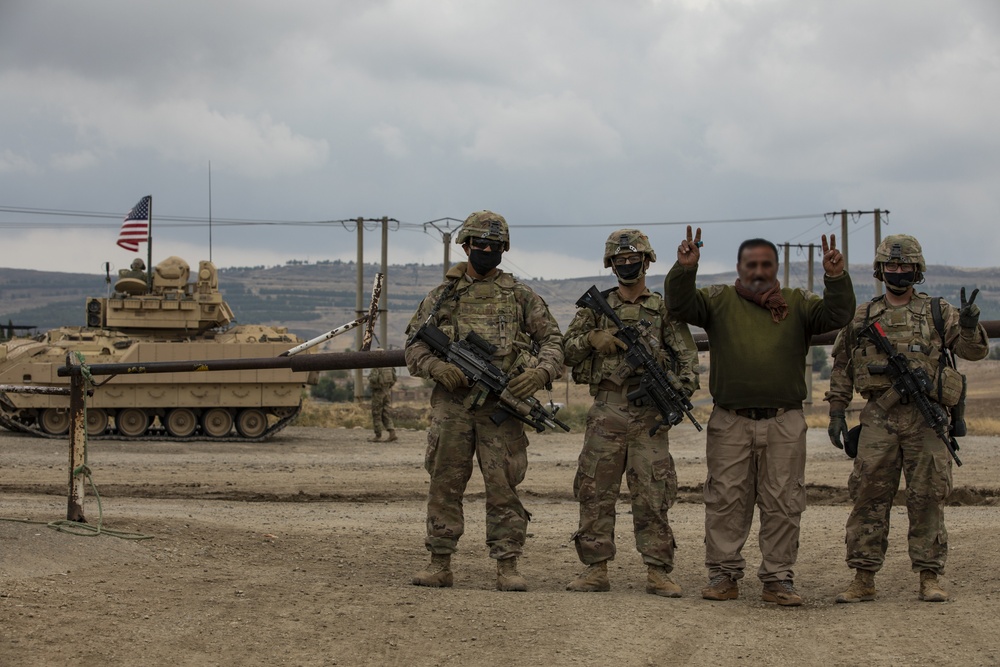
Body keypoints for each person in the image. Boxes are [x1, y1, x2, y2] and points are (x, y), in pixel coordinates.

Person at [665, 226, 854, 606]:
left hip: (784, 421)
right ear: (739, 266)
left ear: (776, 268)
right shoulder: (719, 300)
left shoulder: (797, 302)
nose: (759, 270)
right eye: (751, 264)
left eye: (766, 264)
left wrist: (836, 277)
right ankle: (723, 575)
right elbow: (680, 306)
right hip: (730, 420)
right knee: (726, 499)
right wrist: (685, 269)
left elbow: (838, 314)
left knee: (784, 500)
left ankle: (778, 580)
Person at [403, 210, 564, 592]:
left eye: (494, 246)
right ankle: (440, 561)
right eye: (480, 244)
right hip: (452, 407)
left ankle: (507, 564)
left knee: (503, 485)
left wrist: (539, 373)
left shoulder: (521, 296)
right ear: (466, 246)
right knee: (445, 482)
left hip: (501, 409)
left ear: (504, 249)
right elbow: (413, 346)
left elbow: (554, 342)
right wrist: (437, 369)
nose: (487, 250)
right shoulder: (443, 296)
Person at [825, 234, 988, 603]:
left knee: (928, 498)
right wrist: (836, 411)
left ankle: (929, 577)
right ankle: (863, 577)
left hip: (926, 421)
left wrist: (967, 325)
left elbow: (972, 352)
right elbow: (842, 367)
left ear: (918, 271)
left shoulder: (937, 311)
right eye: (892, 266)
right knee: (868, 498)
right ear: (882, 270)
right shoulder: (863, 315)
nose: (899, 272)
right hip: (878, 421)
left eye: (906, 267)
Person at [563, 229, 700, 597]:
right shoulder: (594, 309)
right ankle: (595, 569)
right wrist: (592, 338)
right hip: (608, 408)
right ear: (611, 264)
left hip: (650, 415)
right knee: (595, 489)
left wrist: (678, 391)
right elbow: (567, 350)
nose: (627, 264)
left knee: (653, 491)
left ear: (646, 261)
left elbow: (687, 357)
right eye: (620, 260)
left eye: (632, 259)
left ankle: (658, 571)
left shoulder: (663, 309)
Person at [367, 365, 397, 442]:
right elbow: (394, 379)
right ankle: (392, 433)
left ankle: (378, 435)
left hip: (378, 393)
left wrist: (370, 379)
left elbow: (373, 379)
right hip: (387, 392)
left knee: (376, 413)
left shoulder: (376, 368)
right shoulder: (389, 367)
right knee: (386, 413)